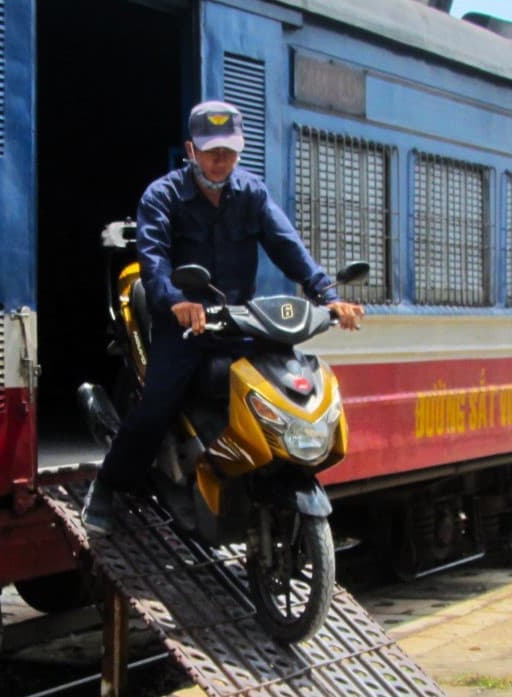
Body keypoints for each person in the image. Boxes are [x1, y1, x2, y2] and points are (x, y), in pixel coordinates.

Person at [82, 100, 365, 535]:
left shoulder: (251, 193)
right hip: (183, 324)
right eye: (212, 150)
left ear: (240, 149)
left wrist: (327, 294)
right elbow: (153, 259)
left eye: (229, 151)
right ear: (191, 149)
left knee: (273, 385)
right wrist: (177, 299)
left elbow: (287, 244)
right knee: (156, 408)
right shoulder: (163, 196)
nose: (221, 160)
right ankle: (107, 487)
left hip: (235, 321)